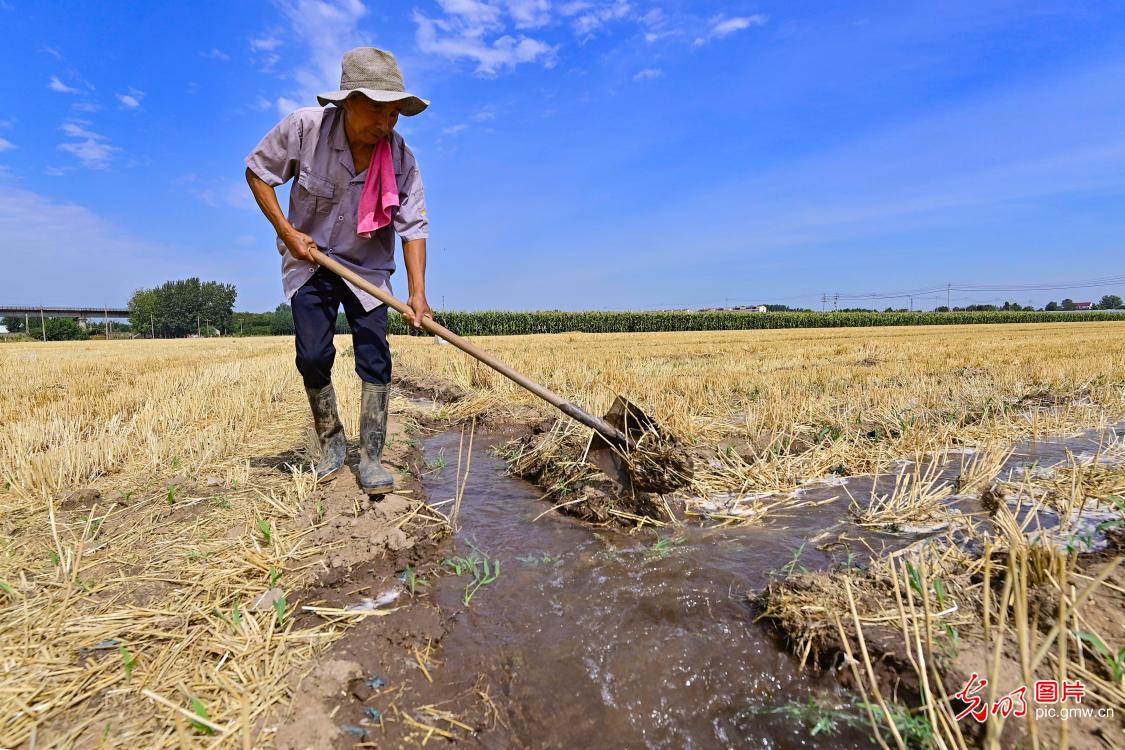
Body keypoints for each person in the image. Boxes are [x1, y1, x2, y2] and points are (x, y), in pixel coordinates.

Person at [244, 47, 433, 495]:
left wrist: (418, 294)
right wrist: (289, 233)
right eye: (377, 111)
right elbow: (257, 171)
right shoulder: (304, 129)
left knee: (375, 356)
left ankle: (370, 457)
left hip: (366, 266)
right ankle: (331, 442)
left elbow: (414, 226)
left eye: (395, 115)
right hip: (310, 259)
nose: (386, 124)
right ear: (348, 101)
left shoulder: (400, 157)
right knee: (312, 355)